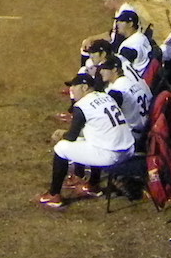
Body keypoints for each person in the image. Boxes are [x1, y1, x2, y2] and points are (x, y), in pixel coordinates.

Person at [37, 71, 134, 209]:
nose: (71, 90)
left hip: (112, 155)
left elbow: (71, 137)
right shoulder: (105, 96)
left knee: (61, 148)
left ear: (84, 87)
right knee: (92, 138)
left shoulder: (82, 105)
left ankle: (54, 195)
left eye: (74, 87)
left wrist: (61, 134)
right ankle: (93, 184)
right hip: (129, 150)